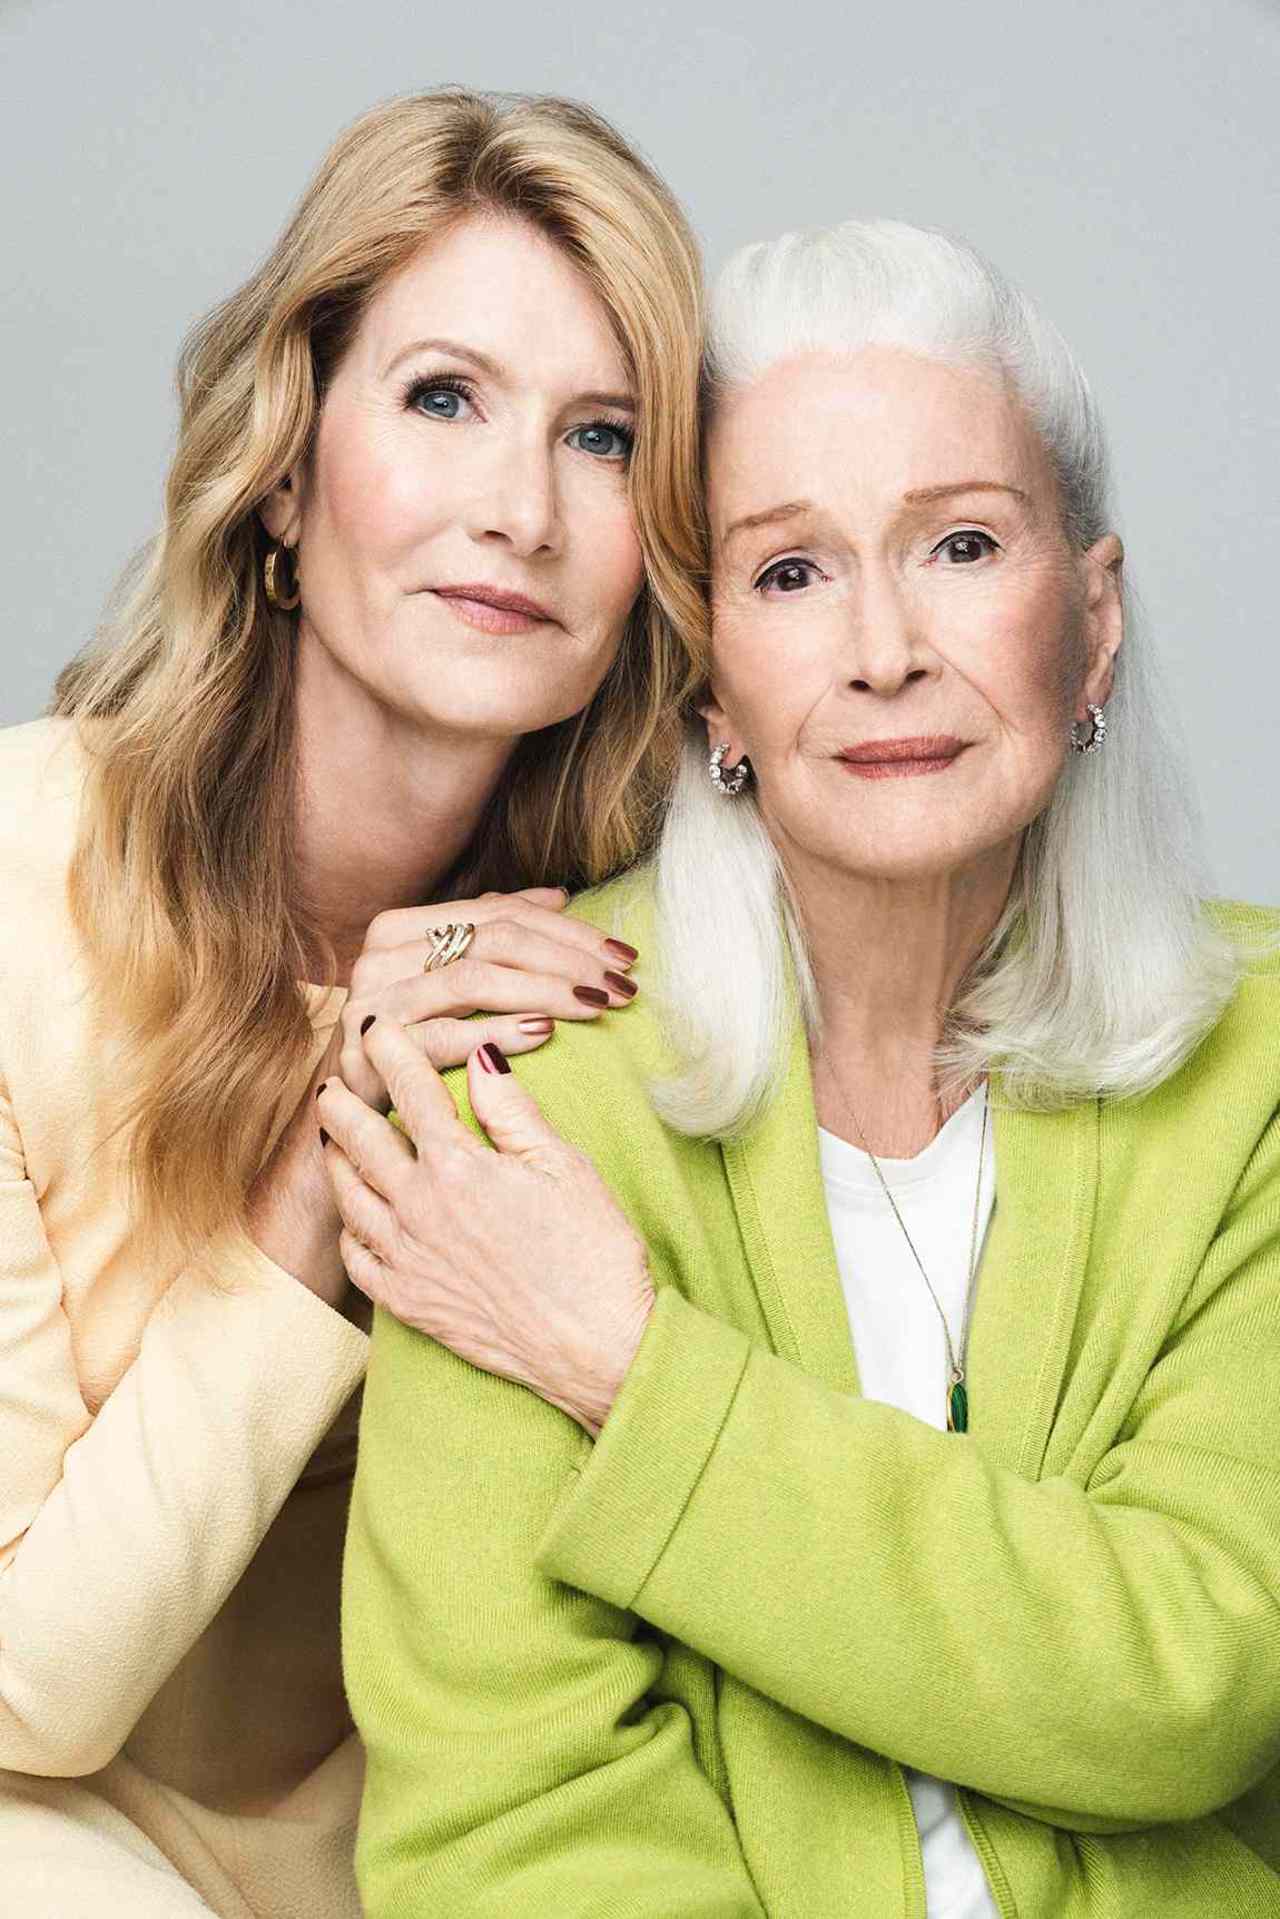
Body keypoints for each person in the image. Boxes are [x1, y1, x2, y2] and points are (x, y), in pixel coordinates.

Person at [337, 219, 1280, 1916]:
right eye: (790, 574)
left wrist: (638, 1375)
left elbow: (1202, 1672)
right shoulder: (529, 1092)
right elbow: (515, 1825)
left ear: (1093, 621)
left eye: (963, 545)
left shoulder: (1257, 1059)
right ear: (710, 680)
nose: (884, 650)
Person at [0, 86, 704, 1916]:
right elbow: (25, 1686)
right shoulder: (19, 887)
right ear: (288, 473)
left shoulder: (633, 974)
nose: (521, 512)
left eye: (605, 438)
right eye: (445, 398)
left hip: (427, 1866)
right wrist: (335, 1156)